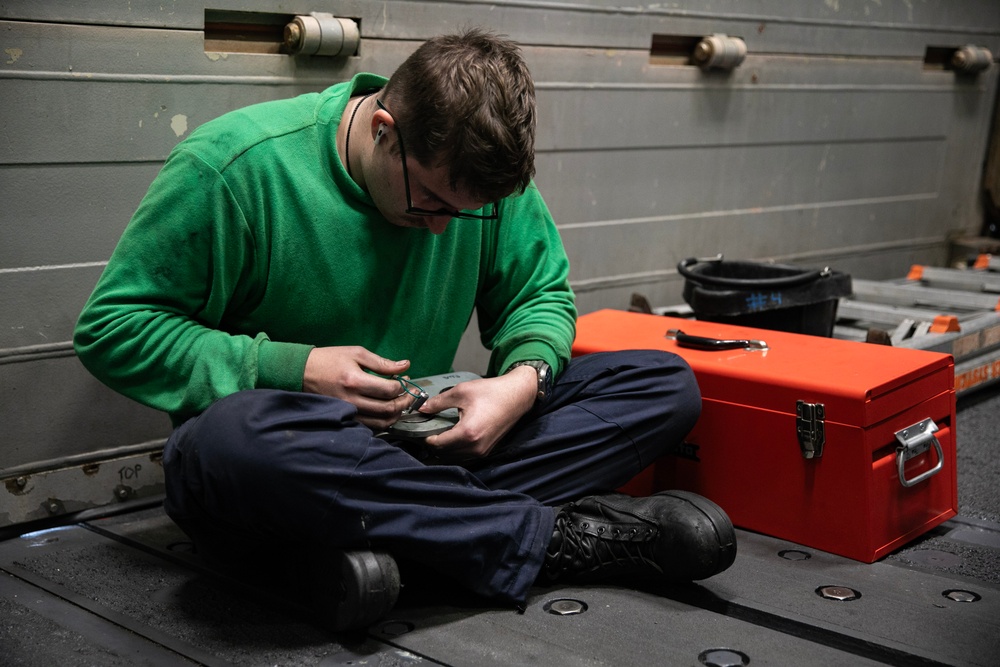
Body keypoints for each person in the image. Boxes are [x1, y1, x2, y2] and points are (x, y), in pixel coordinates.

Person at [74, 28, 736, 631]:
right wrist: (292, 369)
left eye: (468, 213)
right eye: (434, 203)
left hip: (414, 452)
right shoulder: (234, 166)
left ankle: (398, 543)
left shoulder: (479, 184)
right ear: (385, 129)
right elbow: (114, 329)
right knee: (226, 442)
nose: (446, 227)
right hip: (296, 458)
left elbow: (539, 296)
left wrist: (521, 383)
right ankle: (549, 537)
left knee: (661, 382)